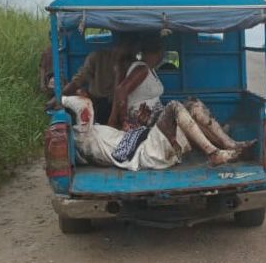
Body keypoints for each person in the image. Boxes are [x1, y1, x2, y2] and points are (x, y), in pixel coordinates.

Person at [102, 32, 253, 167]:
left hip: (157, 117)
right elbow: (121, 91)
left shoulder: (150, 70)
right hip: (149, 123)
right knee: (175, 106)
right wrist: (124, 121)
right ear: (159, 52)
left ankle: (229, 144)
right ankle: (213, 153)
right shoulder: (141, 68)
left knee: (194, 104)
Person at [48, 31, 138, 125]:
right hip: (98, 105)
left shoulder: (134, 65)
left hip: (122, 106)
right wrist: (58, 98)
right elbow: (78, 81)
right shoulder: (98, 57)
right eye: (132, 45)